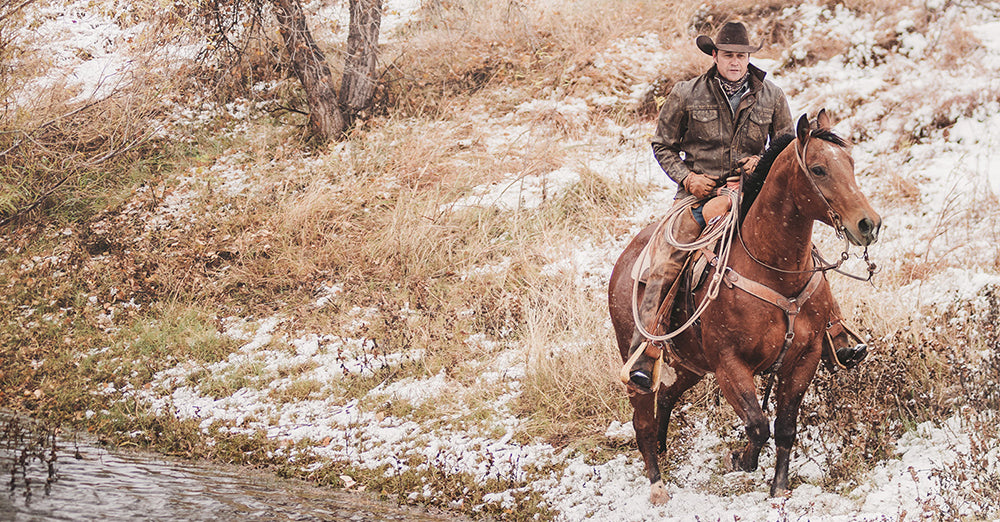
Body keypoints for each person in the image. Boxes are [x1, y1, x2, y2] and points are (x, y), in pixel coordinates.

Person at [625, 21, 864, 393]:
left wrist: (757, 165)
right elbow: (662, 146)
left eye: (741, 55)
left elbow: (788, 150)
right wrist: (689, 179)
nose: (735, 62)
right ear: (715, 56)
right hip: (699, 195)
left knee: (803, 252)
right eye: (728, 55)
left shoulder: (772, 95)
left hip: (752, 192)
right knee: (668, 256)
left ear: (748, 57)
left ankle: (834, 330)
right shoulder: (686, 94)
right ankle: (649, 347)